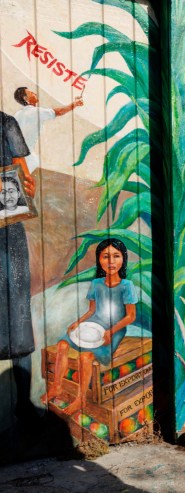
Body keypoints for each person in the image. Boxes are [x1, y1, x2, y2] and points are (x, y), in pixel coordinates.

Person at [43, 239, 138, 414]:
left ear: (123, 259)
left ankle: (81, 400)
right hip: (94, 323)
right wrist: (78, 322)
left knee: (85, 357)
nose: (111, 262)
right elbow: (92, 310)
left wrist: (111, 331)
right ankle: (57, 386)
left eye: (116, 256)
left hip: (114, 329)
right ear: (99, 259)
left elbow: (131, 316)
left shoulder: (127, 286)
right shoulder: (96, 284)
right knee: (62, 345)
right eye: (105, 257)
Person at [0, 111, 38, 450]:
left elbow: (25, 179)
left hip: (8, 231)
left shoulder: (5, 123)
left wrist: (25, 186)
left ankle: (23, 406)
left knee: (18, 312)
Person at [13, 87, 84, 173]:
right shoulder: (35, 112)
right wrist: (75, 104)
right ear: (26, 98)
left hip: (14, 154)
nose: (35, 93)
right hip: (25, 155)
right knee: (31, 165)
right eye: (31, 93)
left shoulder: (18, 114)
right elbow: (59, 111)